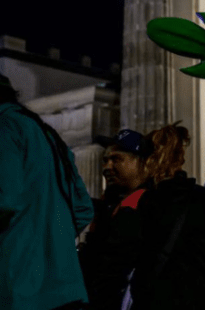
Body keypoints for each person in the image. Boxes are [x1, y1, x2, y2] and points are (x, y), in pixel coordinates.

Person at [0, 75, 94, 310]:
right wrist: (53, 238)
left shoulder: (4, 126)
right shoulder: (49, 135)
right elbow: (83, 209)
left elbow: (4, 199)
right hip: (66, 285)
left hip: (18, 284)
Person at [124, 123, 205, 309]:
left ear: (149, 160)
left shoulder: (146, 201)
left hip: (157, 300)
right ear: (181, 158)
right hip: (203, 298)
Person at [80, 128, 154, 309]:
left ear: (142, 163)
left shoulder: (146, 204)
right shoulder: (110, 204)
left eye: (116, 159)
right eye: (105, 160)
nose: (107, 167)